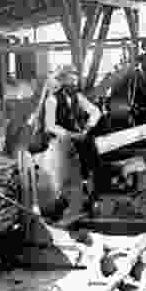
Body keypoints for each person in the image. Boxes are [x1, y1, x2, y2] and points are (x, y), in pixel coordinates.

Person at [44, 64, 103, 219]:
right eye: (72, 78)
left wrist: (88, 127)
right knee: (65, 174)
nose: (75, 81)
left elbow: (95, 111)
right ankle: (60, 205)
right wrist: (70, 134)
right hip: (62, 141)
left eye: (75, 77)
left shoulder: (78, 97)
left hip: (81, 137)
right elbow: (50, 125)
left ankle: (92, 200)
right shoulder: (52, 100)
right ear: (64, 81)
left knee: (93, 165)